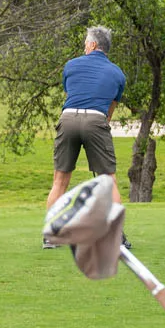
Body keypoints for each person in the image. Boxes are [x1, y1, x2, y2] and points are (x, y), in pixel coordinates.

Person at [49, 26, 126, 209]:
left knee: (59, 181)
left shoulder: (71, 65)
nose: (84, 47)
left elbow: (71, 96)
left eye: (85, 44)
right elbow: (109, 111)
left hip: (68, 119)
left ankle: (52, 237)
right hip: (96, 120)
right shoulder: (118, 73)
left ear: (92, 45)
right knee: (108, 181)